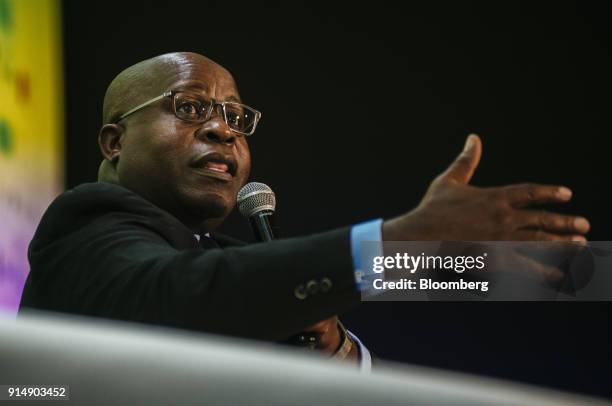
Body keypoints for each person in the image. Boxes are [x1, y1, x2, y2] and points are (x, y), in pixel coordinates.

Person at [19, 52, 590, 369]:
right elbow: (193, 293)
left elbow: (246, 287)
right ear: (114, 143)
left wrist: (340, 347)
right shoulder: (87, 225)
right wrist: (396, 241)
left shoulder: (221, 260)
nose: (222, 128)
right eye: (189, 106)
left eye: (238, 118)